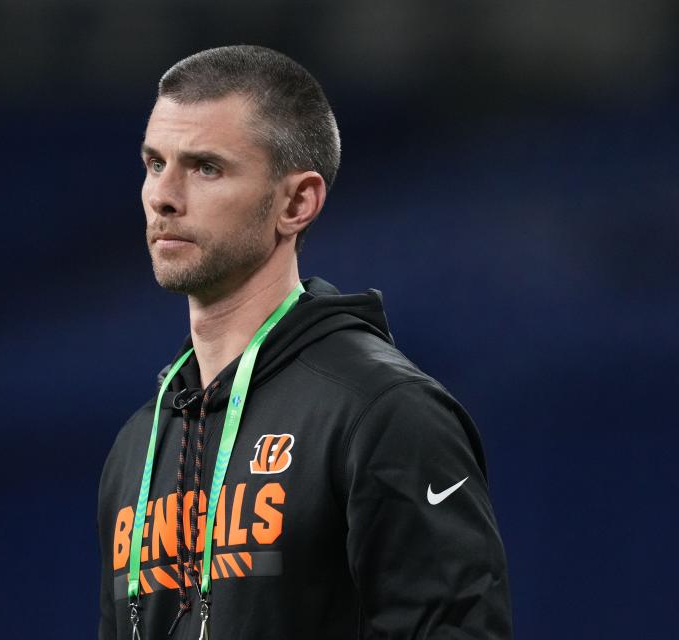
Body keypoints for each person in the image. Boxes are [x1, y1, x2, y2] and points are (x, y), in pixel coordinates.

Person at [98, 45, 512, 639]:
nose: (163, 195)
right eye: (154, 163)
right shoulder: (138, 445)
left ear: (297, 202)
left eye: (206, 167)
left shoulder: (384, 411)